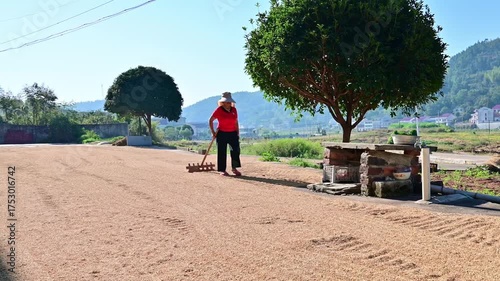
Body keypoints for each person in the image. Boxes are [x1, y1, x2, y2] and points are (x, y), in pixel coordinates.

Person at [209, 92, 242, 176]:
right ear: (223, 102)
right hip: (222, 133)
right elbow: (211, 120)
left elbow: (236, 121)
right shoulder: (219, 110)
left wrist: (237, 132)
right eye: (227, 102)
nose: (229, 103)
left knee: (235, 150)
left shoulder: (234, 110)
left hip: (233, 133)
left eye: (230, 102)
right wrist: (213, 132)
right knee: (222, 151)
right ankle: (222, 170)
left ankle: (234, 168)